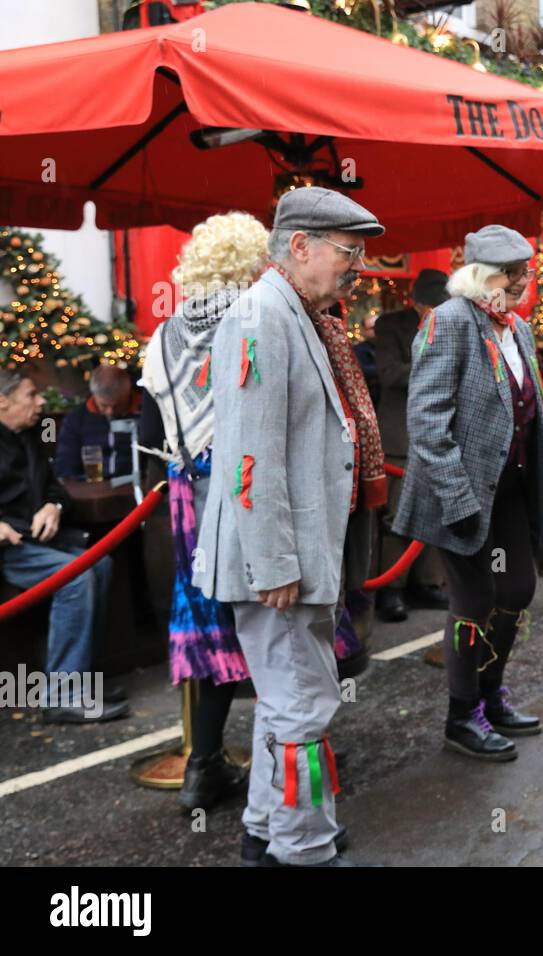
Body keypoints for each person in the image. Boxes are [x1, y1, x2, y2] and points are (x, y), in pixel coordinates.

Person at [193, 186, 387, 867]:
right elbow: (250, 456)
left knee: (288, 706)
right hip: (279, 563)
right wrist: (271, 563)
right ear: (299, 246)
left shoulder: (293, 312)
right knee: (304, 711)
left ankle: (265, 832)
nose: (358, 265)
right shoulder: (263, 316)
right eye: (349, 251)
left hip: (294, 557)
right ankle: (303, 848)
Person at [392, 225, 543, 762]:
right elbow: (426, 421)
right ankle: (462, 715)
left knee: (515, 592)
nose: (521, 282)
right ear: (481, 276)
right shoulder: (449, 321)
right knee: (474, 601)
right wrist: (458, 499)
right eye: (511, 274)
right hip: (459, 493)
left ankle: (491, 697)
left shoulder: (517, 328)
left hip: (509, 490)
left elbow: (532, 416)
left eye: (524, 271)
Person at [138, 211, 266, 811]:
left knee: (211, 623)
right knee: (272, 619)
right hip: (249, 485)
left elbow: (149, 433)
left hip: (189, 493)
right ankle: (282, 763)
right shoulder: (258, 319)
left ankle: (202, 767)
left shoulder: (163, 337)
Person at [0, 369, 124, 723]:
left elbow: (57, 489)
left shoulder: (28, 435)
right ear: (2, 401)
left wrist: (52, 507)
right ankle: (61, 695)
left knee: (100, 565)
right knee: (75, 578)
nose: (41, 402)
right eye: (31, 395)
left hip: (36, 542)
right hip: (8, 550)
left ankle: (82, 680)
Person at [371, 268, 451, 624]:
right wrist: (431, 352)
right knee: (397, 517)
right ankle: (391, 590)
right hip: (399, 434)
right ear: (416, 303)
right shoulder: (391, 326)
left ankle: (427, 583)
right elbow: (390, 374)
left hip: (439, 430)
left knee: (434, 511)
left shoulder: (451, 321)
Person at [54, 365, 141, 480]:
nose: (110, 411)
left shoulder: (145, 412)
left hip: (137, 486)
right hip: (90, 489)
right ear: (94, 396)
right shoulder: (76, 419)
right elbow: (66, 465)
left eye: (117, 405)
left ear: (128, 392)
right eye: (104, 405)